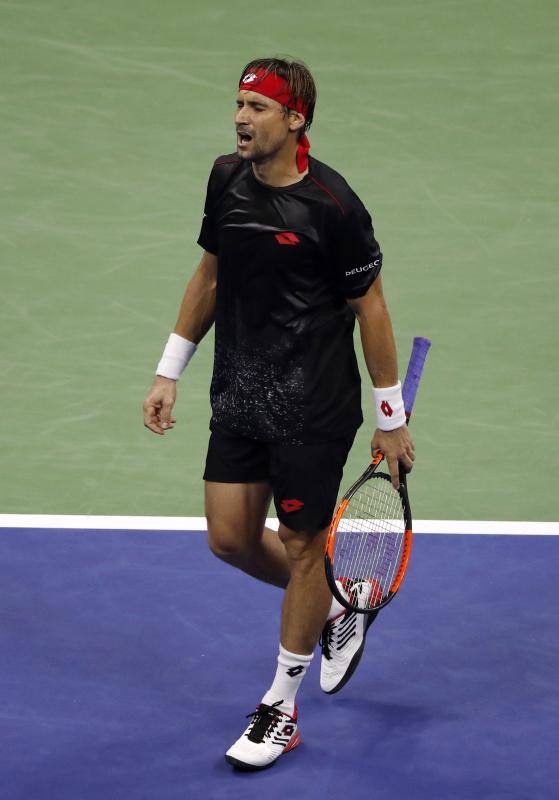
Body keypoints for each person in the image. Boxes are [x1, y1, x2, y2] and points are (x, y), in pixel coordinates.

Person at [143, 57, 415, 771]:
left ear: (296, 119)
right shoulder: (225, 179)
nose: (241, 118)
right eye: (239, 103)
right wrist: (169, 370)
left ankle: (281, 707)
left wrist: (390, 417)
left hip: (313, 407)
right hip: (239, 392)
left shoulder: (334, 207)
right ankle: (338, 604)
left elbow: (371, 309)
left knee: (301, 546)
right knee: (229, 539)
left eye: (258, 107)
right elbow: (210, 275)